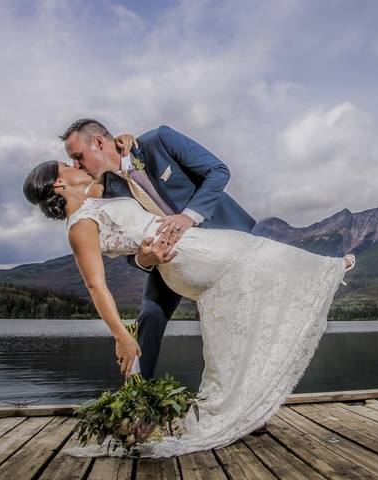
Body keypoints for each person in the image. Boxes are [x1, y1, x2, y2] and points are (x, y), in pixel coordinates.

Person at [22, 160, 354, 457]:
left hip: (181, 248)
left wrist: (126, 149)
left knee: (231, 322)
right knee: (255, 254)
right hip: (183, 254)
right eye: (65, 165)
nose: (73, 163)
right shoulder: (80, 226)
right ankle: (323, 271)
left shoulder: (94, 198)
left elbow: (119, 165)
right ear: (57, 184)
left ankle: (233, 406)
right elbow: (96, 286)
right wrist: (121, 335)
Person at [60, 119, 256, 379]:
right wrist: (142, 259)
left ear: (98, 143)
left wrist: (188, 217)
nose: (76, 164)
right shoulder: (106, 192)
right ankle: (141, 395)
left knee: (242, 320)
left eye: (77, 156)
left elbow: (218, 171)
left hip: (224, 237)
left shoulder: (158, 141)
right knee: (151, 314)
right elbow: (125, 241)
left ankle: (243, 391)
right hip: (169, 258)